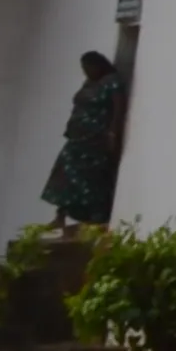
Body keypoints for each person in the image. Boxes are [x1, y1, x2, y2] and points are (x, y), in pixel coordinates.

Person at [38, 49, 127, 226]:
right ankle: (60, 215)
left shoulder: (112, 82)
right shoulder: (89, 83)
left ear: (99, 66)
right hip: (77, 139)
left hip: (95, 140)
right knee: (63, 174)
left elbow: (118, 108)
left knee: (91, 178)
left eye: (89, 67)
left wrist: (113, 133)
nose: (86, 71)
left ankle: (94, 216)